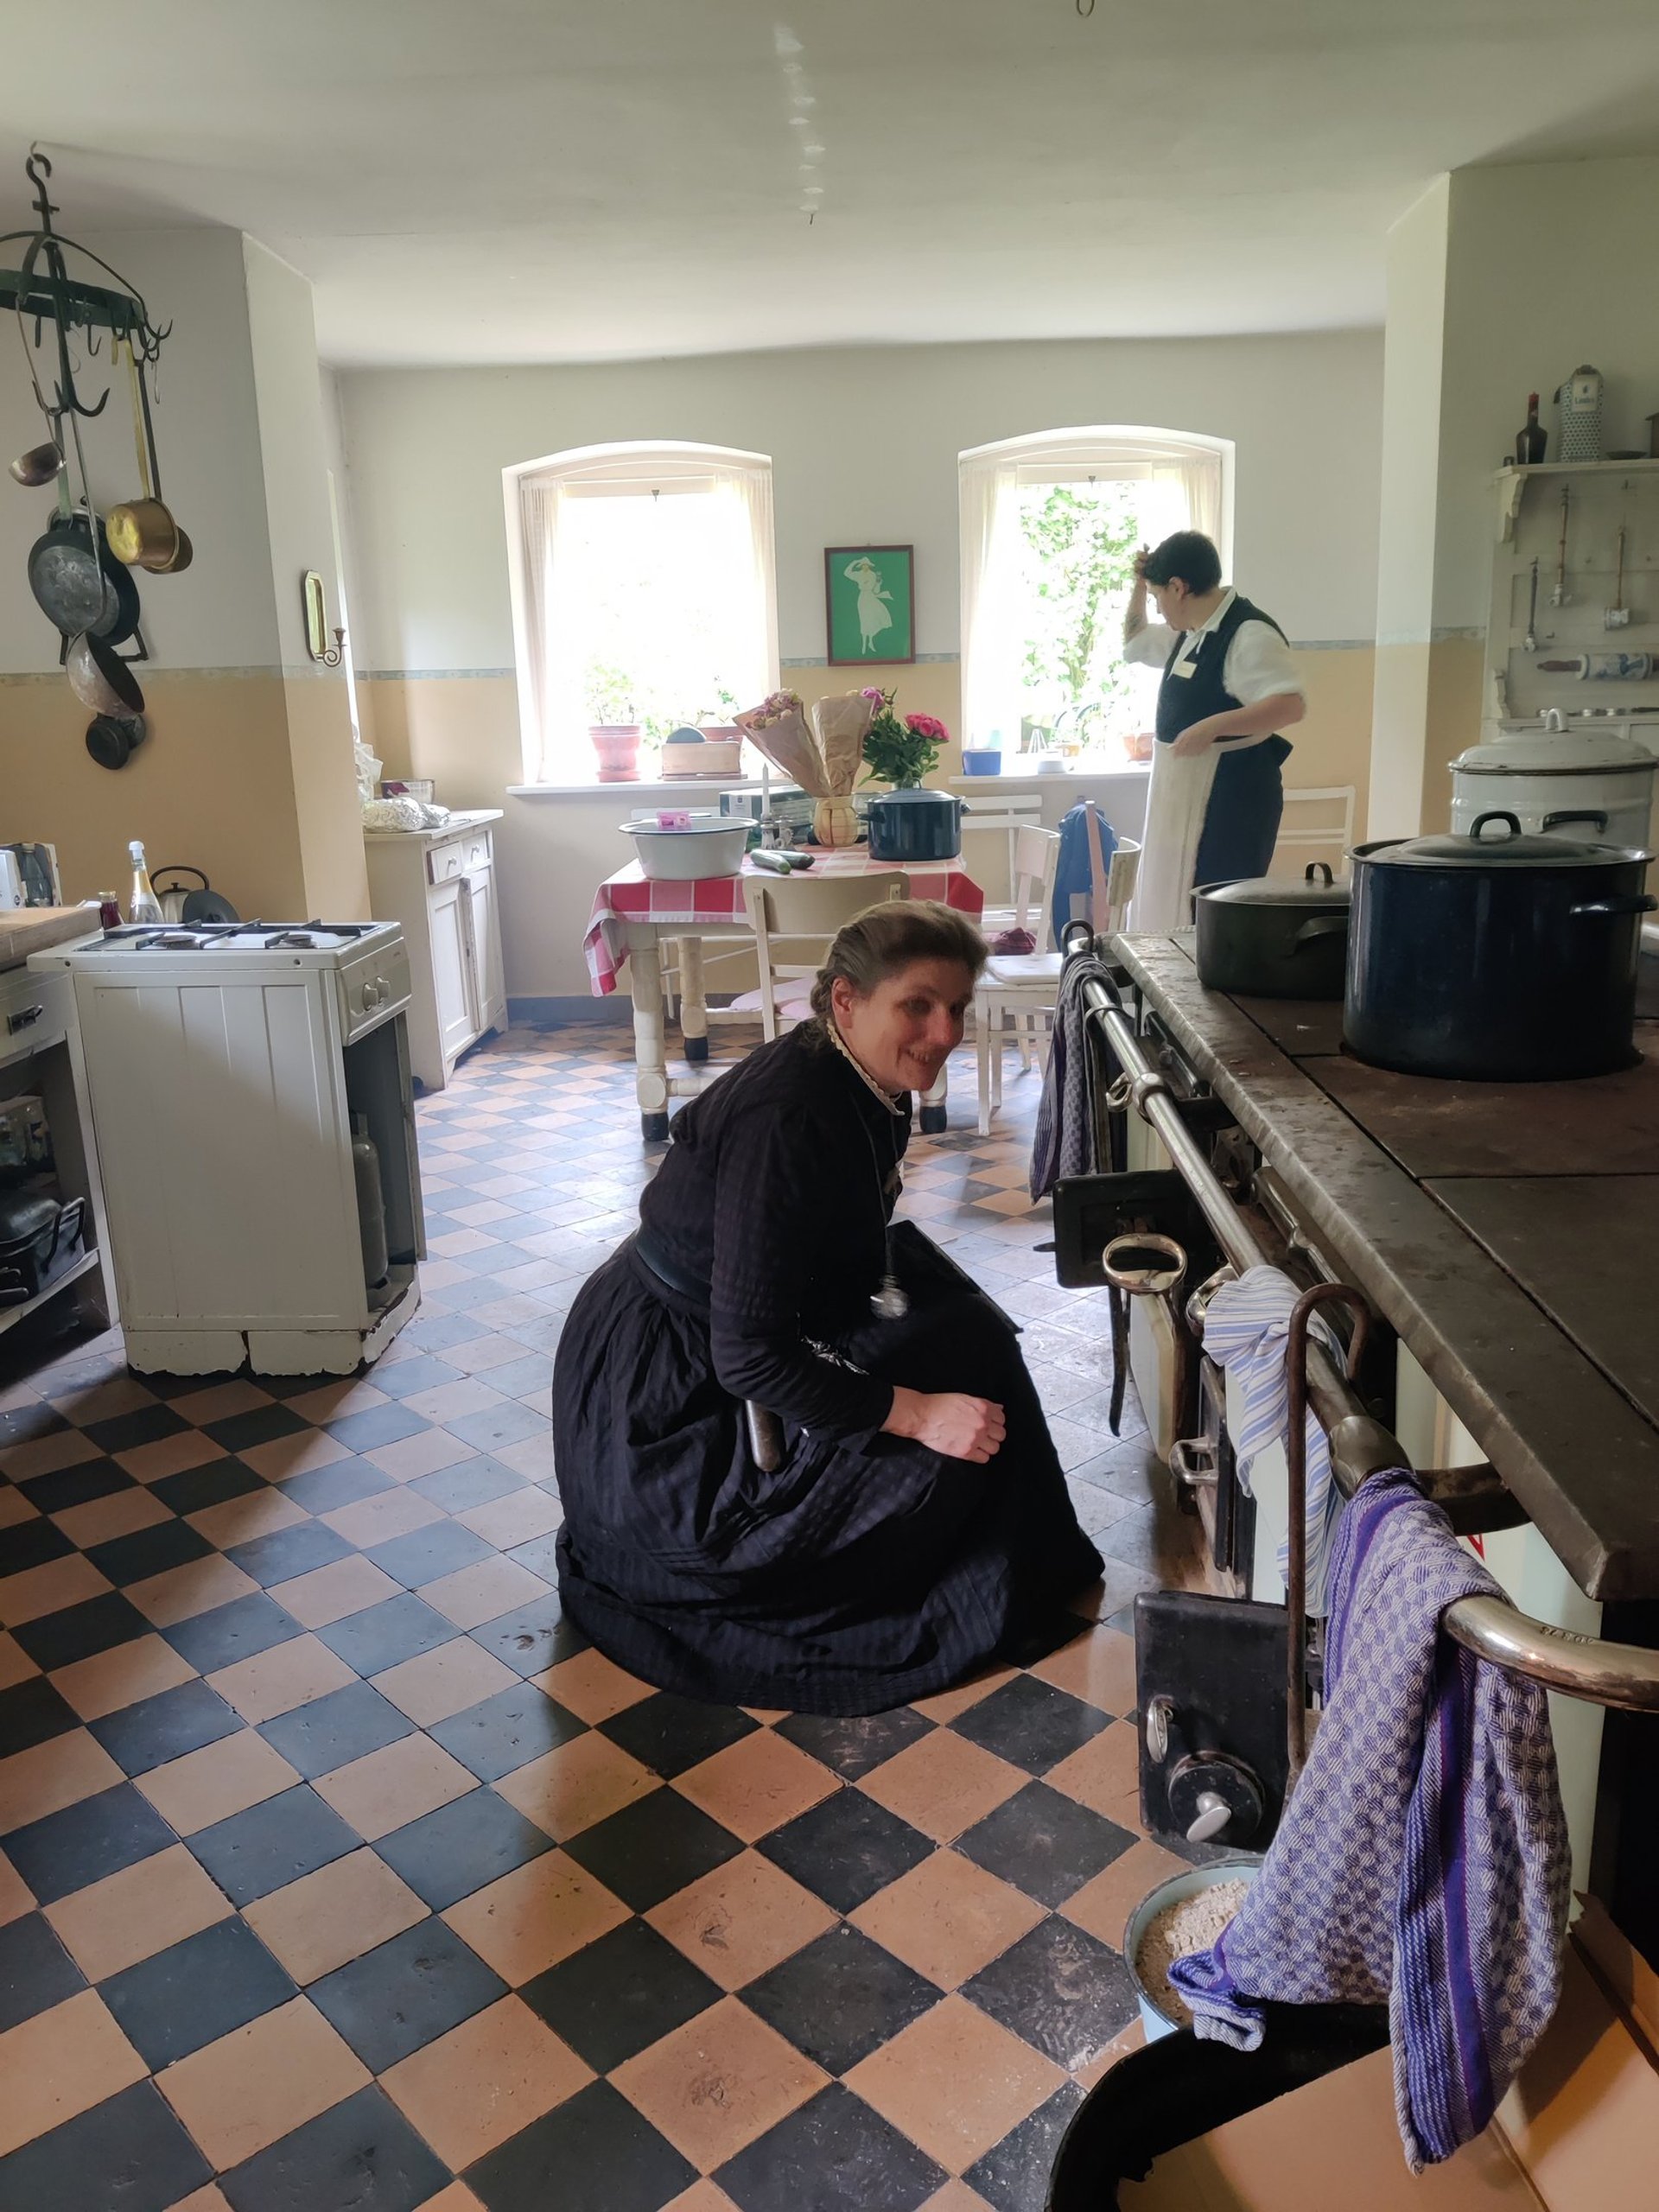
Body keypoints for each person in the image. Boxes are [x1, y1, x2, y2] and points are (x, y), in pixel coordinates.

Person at [552, 899, 1103, 1714]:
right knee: (936, 1437)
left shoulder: (862, 1075)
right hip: (668, 1406)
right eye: (917, 1006)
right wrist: (916, 1414)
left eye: (957, 1008)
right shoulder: (789, 1118)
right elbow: (749, 1357)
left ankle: (1009, 1564)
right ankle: (947, 1583)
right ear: (846, 1000)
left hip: (732, 1329)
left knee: (971, 1337)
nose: (944, 1033)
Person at [1122, 530, 1306, 932]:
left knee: (1214, 913)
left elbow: (1290, 705)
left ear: (1178, 587)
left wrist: (1212, 726)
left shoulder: (1248, 633)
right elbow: (1134, 643)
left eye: (1157, 597)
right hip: (1184, 791)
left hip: (1230, 797)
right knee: (1174, 906)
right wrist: (1138, 585)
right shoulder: (1190, 633)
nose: (1158, 609)